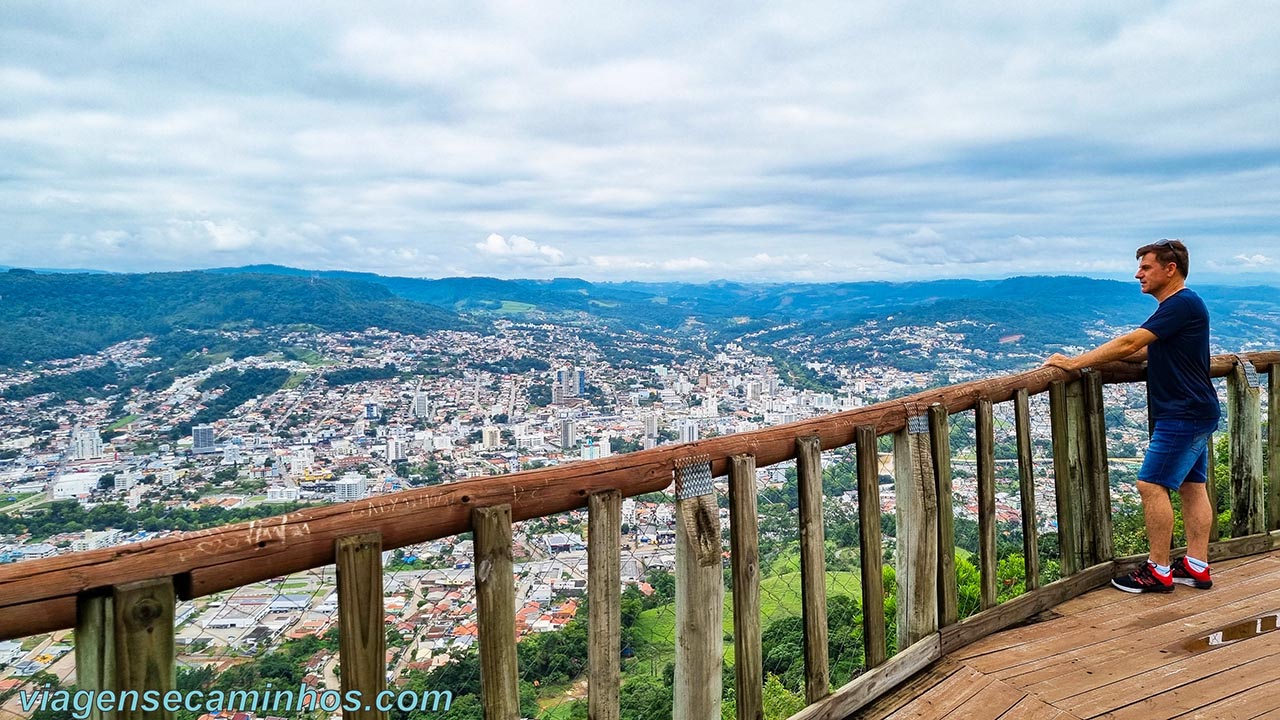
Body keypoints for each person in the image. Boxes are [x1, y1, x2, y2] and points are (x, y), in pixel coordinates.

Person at [1044, 239, 1219, 593]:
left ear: (1170, 269)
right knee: (1191, 485)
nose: (1138, 274)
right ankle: (1197, 566)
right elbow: (1145, 352)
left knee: (1151, 485)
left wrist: (1073, 363)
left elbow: (1130, 344)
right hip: (1197, 410)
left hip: (1182, 413)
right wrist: (1108, 359)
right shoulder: (1182, 305)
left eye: (1146, 267)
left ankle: (1158, 570)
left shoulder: (1180, 303)